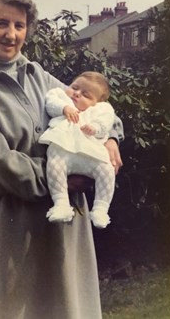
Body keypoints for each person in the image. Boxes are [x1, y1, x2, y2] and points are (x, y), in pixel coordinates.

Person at [0, 0, 124, 319]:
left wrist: (112, 137)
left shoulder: (38, 76)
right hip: (13, 226)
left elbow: (95, 107)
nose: (11, 34)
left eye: (19, 25)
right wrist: (61, 178)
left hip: (65, 228)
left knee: (68, 307)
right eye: (1, 23)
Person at [39, 72, 116, 229]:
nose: (77, 93)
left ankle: (101, 209)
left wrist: (96, 127)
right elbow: (50, 102)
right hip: (63, 148)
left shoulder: (102, 109)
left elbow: (106, 122)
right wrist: (64, 108)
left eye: (85, 95)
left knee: (106, 170)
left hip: (89, 153)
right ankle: (61, 204)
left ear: (97, 102)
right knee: (54, 165)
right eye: (75, 87)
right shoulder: (61, 95)